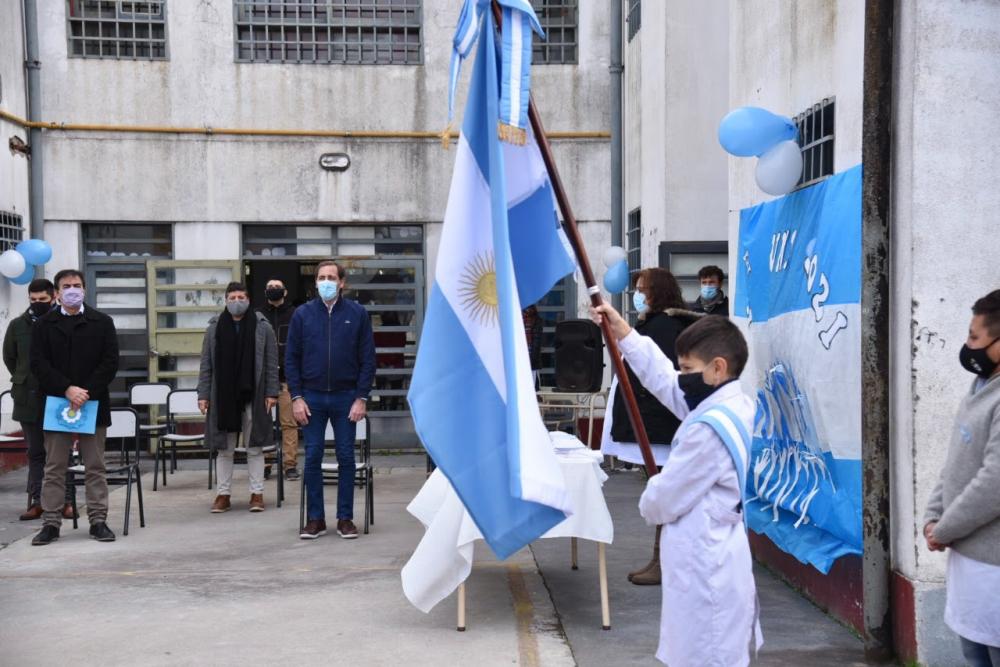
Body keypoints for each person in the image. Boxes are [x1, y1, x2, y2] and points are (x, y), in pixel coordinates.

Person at [592, 303, 761, 667]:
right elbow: (664, 380)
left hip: (705, 564)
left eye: (688, 369)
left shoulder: (707, 430)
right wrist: (624, 332)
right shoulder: (730, 403)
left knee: (705, 654)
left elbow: (662, 501)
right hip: (710, 556)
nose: (681, 377)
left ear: (718, 368)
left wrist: (652, 490)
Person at [601, 268, 702, 586]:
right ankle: (663, 559)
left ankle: (666, 560)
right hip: (660, 423)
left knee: (668, 493)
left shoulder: (663, 326)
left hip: (661, 425)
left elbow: (657, 375)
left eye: (643, 289)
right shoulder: (657, 324)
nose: (638, 293)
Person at [923, 289, 1000, 667]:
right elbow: (957, 460)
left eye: (975, 338)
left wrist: (945, 528)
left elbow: (995, 481)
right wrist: (933, 517)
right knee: (973, 651)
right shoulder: (980, 386)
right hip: (968, 560)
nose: (968, 346)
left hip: (994, 566)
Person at [29, 269, 120, 546]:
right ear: (57, 292)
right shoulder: (44, 325)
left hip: (92, 403)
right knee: (54, 467)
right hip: (57, 403)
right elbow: (38, 364)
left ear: (85, 289)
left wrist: (84, 392)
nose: (72, 289)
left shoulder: (102, 322)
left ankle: (98, 520)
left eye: (77, 285)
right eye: (66, 286)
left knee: (95, 466)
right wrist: (67, 389)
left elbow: (110, 363)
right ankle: (51, 523)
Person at [286, 260, 375, 540]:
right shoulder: (302, 315)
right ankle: (315, 519)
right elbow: (291, 359)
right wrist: (296, 398)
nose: (326, 281)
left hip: (346, 397)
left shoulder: (357, 314)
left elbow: (368, 359)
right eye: (321, 277)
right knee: (312, 457)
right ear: (315, 283)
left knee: (346, 457)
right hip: (310, 397)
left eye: (331, 277)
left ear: (342, 283)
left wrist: (361, 397)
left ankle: (345, 518)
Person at [198, 282, 279, 513]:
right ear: (225, 300)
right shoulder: (214, 327)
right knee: (224, 449)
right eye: (232, 297)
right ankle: (223, 495)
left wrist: (272, 391)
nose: (236, 301)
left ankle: (257, 494)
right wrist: (203, 394)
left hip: (254, 394)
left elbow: (272, 363)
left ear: (249, 299)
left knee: (255, 447)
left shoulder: (262, 326)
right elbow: (206, 365)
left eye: (241, 296)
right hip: (222, 396)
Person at [3, 279, 75, 521]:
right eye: (33, 300)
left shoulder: (63, 321)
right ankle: (37, 501)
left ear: (53, 297)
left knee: (60, 452)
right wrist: (25, 379)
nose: (37, 304)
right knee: (35, 452)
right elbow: (10, 358)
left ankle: (66, 501)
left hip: (58, 395)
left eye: (42, 300)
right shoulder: (17, 325)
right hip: (28, 398)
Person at [257, 278, 299, 480]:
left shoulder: (295, 314)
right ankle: (266, 461)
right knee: (264, 424)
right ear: (265, 292)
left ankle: (289, 465)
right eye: (270, 287)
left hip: (287, 379)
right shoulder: (257, 316)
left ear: (285, 291)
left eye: (277, 287)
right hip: (263, 381)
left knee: (289, 423)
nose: (274, 290)